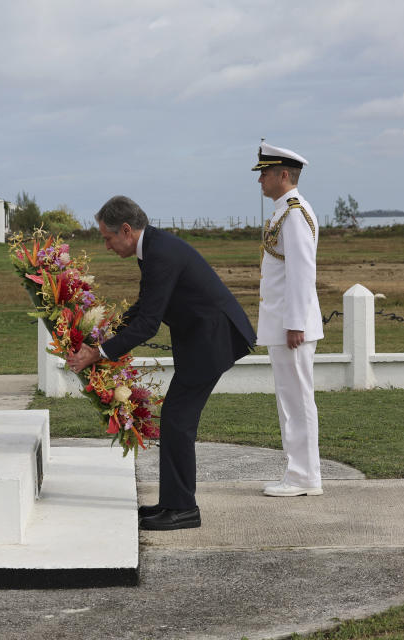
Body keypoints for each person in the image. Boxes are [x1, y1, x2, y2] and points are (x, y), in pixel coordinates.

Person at [67, 196, 256, 531]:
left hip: (212, 340)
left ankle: (183, 509)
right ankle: (173, 503)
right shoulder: (152, 248)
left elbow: (148, 323)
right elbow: (145, 306)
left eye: (108, 238)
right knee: (175, 417)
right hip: (202, 339)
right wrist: (107, 334)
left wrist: (98, 353)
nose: (107, 246)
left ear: (126, 230)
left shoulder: (160, 253)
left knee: (178, 419)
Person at [253, 143, 324, 497]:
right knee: (290, 400)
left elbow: (301, 272)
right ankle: (300, 473)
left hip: (291, 328)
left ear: (284, 175)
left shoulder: (294, 213)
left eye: (265, 172)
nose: (260, 179)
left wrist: (295, 323)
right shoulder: (285, 211)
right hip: (285, 325)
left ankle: (303, 477)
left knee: (296, 401)